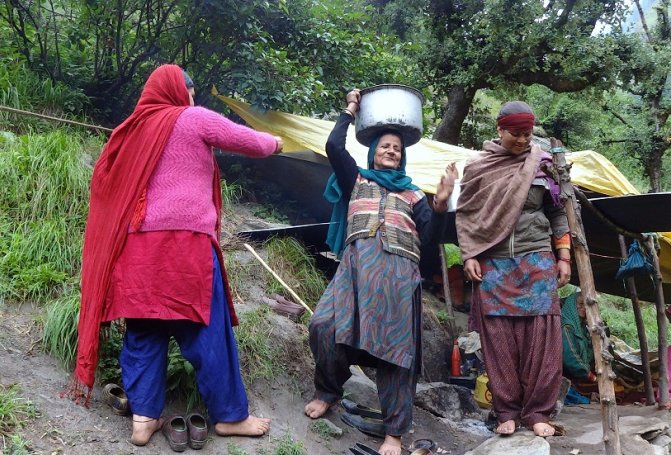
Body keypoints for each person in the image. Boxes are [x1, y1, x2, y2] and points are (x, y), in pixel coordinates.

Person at [69, 64, 283, 447]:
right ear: (179, 90)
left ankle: (143, 418)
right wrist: (277, 142)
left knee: (144, 333)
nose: (193, 97)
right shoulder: (192, 117)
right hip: (185, 247)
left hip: (133, 249)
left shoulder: (129, 130)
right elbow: (250, 142)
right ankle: (231, 417)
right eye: (191, 89)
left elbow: (104, 185)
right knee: (207, 332)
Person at [303, 89, 457, 455]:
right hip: (354, 272)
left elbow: (432, 242)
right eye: (386, 146)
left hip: (398, 280)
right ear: (373, 150)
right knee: (323, 326)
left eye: (398, 149)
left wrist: (440, 206)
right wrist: (351, 110)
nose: (392, 151)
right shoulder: (356, 180)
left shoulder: (415, 196)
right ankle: (328, 390)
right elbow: (333, 147)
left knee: (396, 353)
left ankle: (394, 433)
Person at [455, 101, 571, 437]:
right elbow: (467, 215)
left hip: (536, 258)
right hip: (493, 262)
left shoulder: (543, 163)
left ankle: (537, 413)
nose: (523, 140)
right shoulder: (478, 167)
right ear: (500, 130)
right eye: (516, 134)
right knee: (498, 338)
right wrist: (470, 255)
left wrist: (563, 256)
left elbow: (558, 212)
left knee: (541, 337)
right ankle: (506, 410)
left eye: (527, 133)